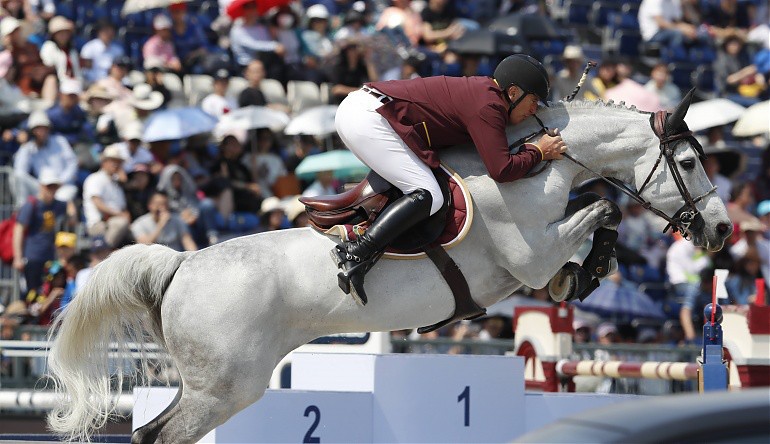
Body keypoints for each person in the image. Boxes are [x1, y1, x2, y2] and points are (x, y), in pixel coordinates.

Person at [330, 54, 566, 305]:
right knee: (429, 194)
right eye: (532, 101)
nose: (533, 110)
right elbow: (502, 170)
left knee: (424, 188)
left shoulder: (486, 95)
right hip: (369, 118)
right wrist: (539, 151)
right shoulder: (489, 105)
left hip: (366, 111)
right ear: (513, 92)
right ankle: (356, 253)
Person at [12, 169, 76, 296]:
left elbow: (72, 219)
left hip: (50, 257)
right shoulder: (31, 204)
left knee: (46, 292)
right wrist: (18, 257)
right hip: (32, 256)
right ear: (41, 186)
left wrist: (71, 209)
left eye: (55, 187)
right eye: (49, 186)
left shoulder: (57, 204)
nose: (52, 190)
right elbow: (18, 230)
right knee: (31, 294)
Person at [13, 110, 78, 203]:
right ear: (32, 131)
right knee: (17, 176)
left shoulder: (60, 141)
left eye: (44, 128)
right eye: (38, 129)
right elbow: (20, 171)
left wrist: (60, 182)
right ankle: (22, 212)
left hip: (63, 186)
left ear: (49, 129)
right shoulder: (28, 148)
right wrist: (25, 146)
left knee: (61, 199)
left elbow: (73, 163)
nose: (42, 132)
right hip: (41, 188)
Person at [82, 144, 131, 248]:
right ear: (104, 162)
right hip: (99, 223)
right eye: (113, 161)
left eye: (119, 162)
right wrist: (119, 214)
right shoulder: (95, 178)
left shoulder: (116, 183)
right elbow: (97, 203)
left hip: (113, 222)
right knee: (121, 222)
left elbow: (123, 207)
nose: (116, 164)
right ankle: (105, 253)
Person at [131, 191, 197, 251]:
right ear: (150, 206)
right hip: (153, 260)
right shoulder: (139, 224)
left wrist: (193, 256)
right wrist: (161, 224)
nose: (162, 208)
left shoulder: (177, 220)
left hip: (175, 257)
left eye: (165, 204)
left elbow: (188, 241)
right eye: (158, 204)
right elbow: (144, 246)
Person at [79, 19, 125, 85]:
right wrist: (99, 82)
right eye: (106, 30)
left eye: (111, 31)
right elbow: (85, 71)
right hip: (93, 83)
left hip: (114, 83)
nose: (109, 33)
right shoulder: (89, 48)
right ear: (99, 32)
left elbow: (120, 70)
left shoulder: (118, 50)